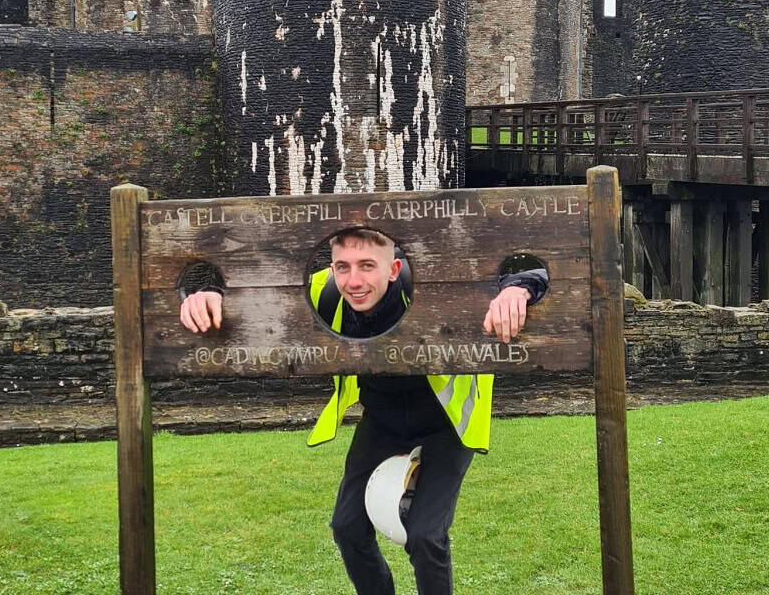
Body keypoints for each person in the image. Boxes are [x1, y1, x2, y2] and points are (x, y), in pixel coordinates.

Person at [179, 228, 548, 595]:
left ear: (393, 268)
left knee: (424, 535)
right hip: (382, 419)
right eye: (343, 266)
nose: (353, 281)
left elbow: (532, 267)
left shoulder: (433, 276)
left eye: (367, 266)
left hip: (446, 420)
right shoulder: (324, 290)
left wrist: (520, 288)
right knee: (347, 527)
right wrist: (206, 293)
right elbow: (249, 287)